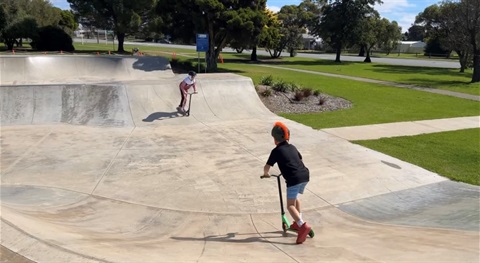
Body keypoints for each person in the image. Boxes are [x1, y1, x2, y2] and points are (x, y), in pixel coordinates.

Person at [263, 121, 311, 244]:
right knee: (296, 198)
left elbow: (267, 166)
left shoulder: (276, 151)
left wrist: (266, 174)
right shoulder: (293, 147)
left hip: (294, 178)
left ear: (275, 139)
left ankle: (302, 226)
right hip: (305, 175)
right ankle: (297, 222)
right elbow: (299, 158)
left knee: (290, 205)